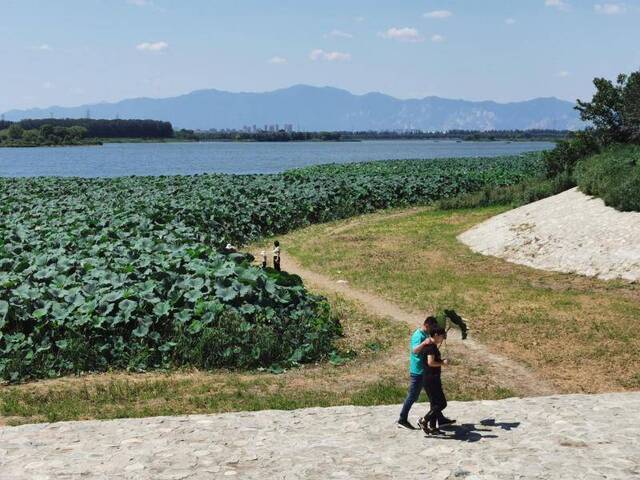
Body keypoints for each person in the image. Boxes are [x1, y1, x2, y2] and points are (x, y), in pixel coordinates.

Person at [397, 316, 437, 429]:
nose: (432, 330)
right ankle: (402, 419)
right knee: (412, 396)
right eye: (432, 328)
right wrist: (424, 343)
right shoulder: (418, 335)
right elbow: (414, 350)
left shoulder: (426, 335)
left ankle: (440, 419)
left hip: (424, 370)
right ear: (427, 325)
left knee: (433, 396)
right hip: (417, 372)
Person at [418, 326, 456, 434]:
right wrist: (442, 363)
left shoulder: (432, 346)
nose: (443, 337)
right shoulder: (430, 347)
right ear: (435, 335)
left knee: (434, 404)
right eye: (441, 335)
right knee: (442, 403)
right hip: (431, 379)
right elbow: (430, 362)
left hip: (431, 378)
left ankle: (433, 427)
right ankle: (424, 420)